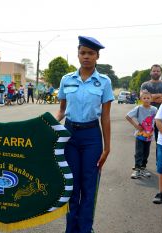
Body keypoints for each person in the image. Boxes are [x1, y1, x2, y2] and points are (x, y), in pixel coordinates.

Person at [56, 36, 114, 233]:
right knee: (71, 186)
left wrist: (107, 147)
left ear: (97, 56)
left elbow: (105, 117)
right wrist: (49, 127)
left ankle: (85, 228)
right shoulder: (66, 79)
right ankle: (71, 228)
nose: (86, 57)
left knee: (89, 187)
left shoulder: (104, 82)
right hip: (70, 136)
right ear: (78, 55)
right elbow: (62, 110)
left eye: (91, 53)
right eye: (83, 53)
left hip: (92, 137)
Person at [125, 90, 157, 179]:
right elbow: (128, 116)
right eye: (144, 98)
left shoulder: (154, 109)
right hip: (140, 135)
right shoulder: (138, 108)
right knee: (139, 152)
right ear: (141, 99)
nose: (146, 100)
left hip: (149, 136)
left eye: (148, 98)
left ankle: (143, 168)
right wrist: (136, 126)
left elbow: (159, 119)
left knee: (146, 152)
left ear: (151, 99)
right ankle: (137, 169)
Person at [140, 65, 162, 141]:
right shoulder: (145, 85)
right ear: (150, 72)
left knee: (159, 139)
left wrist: (149, 97)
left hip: (160, 115)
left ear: (161, 73)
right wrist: (159, 95)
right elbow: (142, 97)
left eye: (158, 71)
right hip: (146, 116)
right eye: (154, 71)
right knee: (144, 139)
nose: (156, 72)